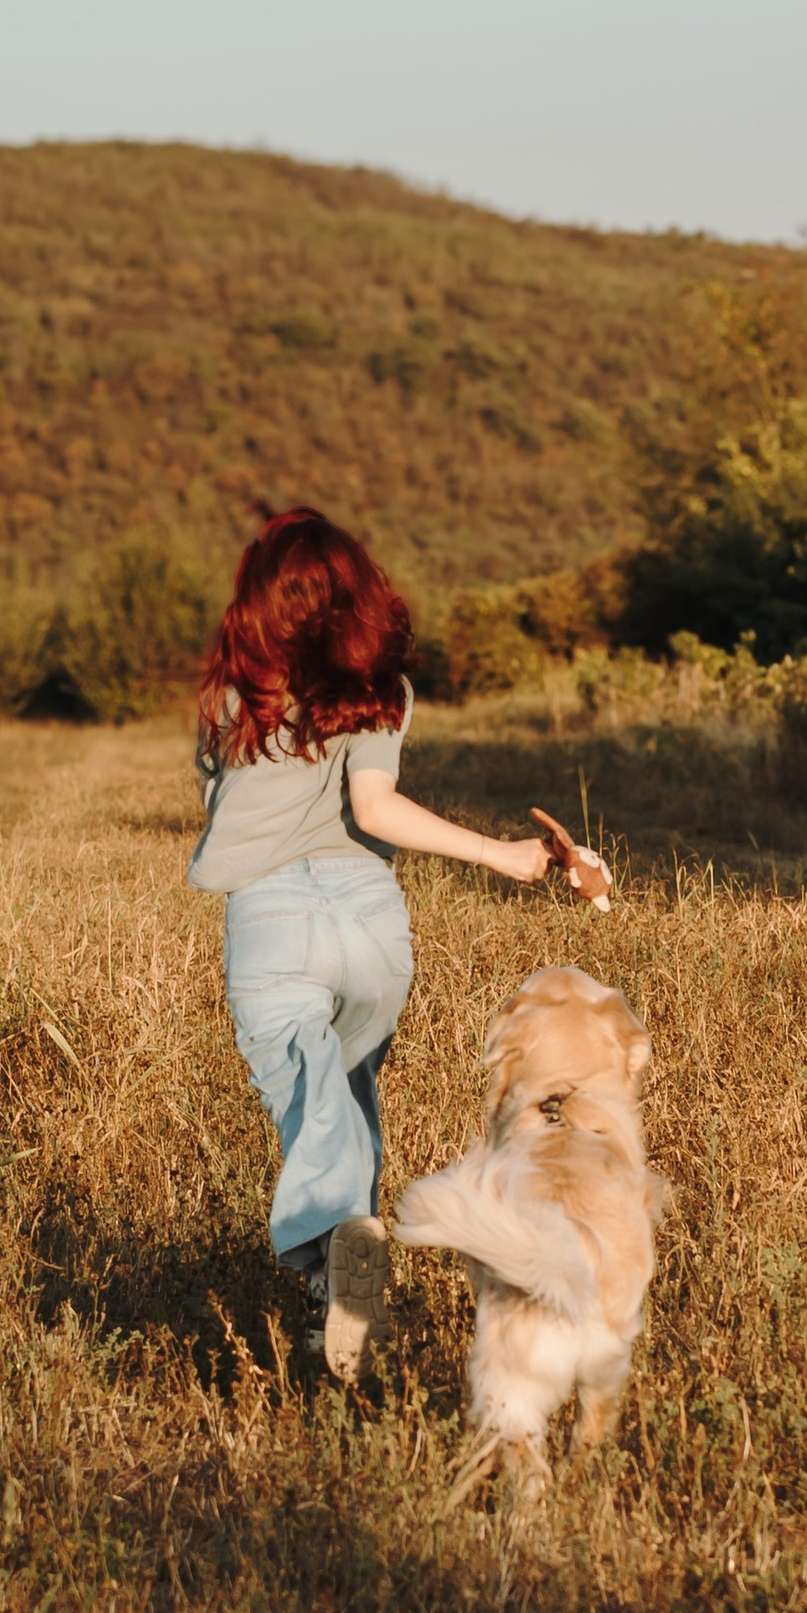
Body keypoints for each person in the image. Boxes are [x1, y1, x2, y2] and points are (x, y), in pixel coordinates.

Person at [190, 506, 553, 1380]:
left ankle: (339, 1244)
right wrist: (501, 854)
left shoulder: (228, 698)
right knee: (344, 1090)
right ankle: (338, 1311)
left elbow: (227, 804)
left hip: (274, 923)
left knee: (310, 1097)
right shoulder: (380, 690)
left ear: (257, 600)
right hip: (372, 925)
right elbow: (376, 808)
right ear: (359, 594)